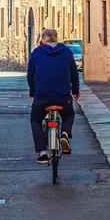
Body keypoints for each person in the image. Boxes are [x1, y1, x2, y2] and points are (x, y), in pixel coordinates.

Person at [27, 28, 80, 164]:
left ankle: (43, 152)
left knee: (35, 120)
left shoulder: (37, 52)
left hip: (42, 96)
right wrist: (75, 91)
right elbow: (74, 73)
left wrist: (32, 91)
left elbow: (30, 75)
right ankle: (64, 133)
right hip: (63, 96)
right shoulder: (66, 52)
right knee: (68, 115)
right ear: (57, 39)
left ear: (43, 40)